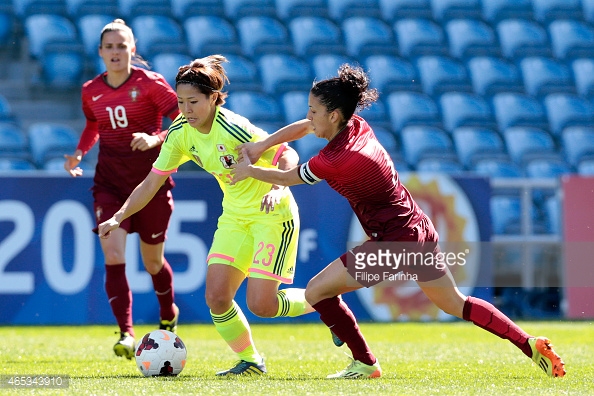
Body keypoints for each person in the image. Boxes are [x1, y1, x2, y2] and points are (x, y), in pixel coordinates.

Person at [230, 64, 567, 379]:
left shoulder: (336, 160)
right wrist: (263, 144)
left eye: (314, 111)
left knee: (318, 291)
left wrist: (249, 169)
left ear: (333, 115)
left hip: (394, 243)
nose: (308, 118)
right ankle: (529, 343)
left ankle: (363, 361)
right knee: (454, 302)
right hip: (416, 230)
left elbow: (291, 178)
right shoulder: (357, 126)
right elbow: (306, 127)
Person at [97, 55, 315, 376]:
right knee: (216, 297)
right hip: (235, 218)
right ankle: (252, 361)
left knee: (262, 305)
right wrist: (119, 216)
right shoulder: (180, 133)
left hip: (272, 215)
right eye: (181, 102)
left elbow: (287, 153)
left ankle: (322, 298)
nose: (186, 110)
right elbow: (151, 183)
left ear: (213, 98)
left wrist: (277, 188)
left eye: (194, 102)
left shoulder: (234, 127)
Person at [63, 19, 180, 360]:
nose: (115, 52)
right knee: (113, 256)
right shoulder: (90, 90)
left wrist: (155, 138)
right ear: (100, 52)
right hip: (110, 185)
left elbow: (182, 119)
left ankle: (167, 314)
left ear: (133, 48)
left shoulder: (151, 84)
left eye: (121, 45)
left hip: (151, 185)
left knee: (153, 263)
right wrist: (80, 153)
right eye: (109, 47)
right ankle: (126, 333)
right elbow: (93, 124)